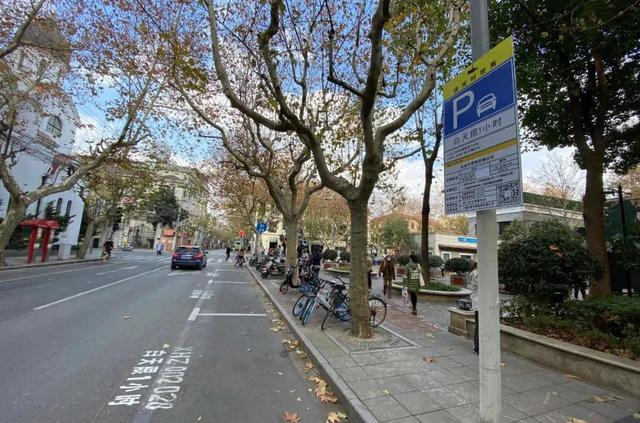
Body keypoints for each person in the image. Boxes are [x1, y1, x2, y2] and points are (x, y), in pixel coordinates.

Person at [467, 262, 479, 354]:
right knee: (479, 325)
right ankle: (477, 346)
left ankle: (477, 345)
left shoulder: (473, 273)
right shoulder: (476, 274)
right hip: (479, 302)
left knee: (479, 324)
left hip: (478, 301)